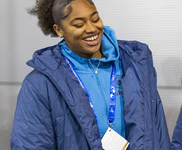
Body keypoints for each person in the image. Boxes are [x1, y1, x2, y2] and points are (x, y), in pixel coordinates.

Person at [10, 0, 171, 149]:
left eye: (95, 19)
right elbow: (30, 144)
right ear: (59, 30)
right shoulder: (40, 83)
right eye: (79, 24)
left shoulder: (136, 64)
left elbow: (158, 133)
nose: (92, 28)